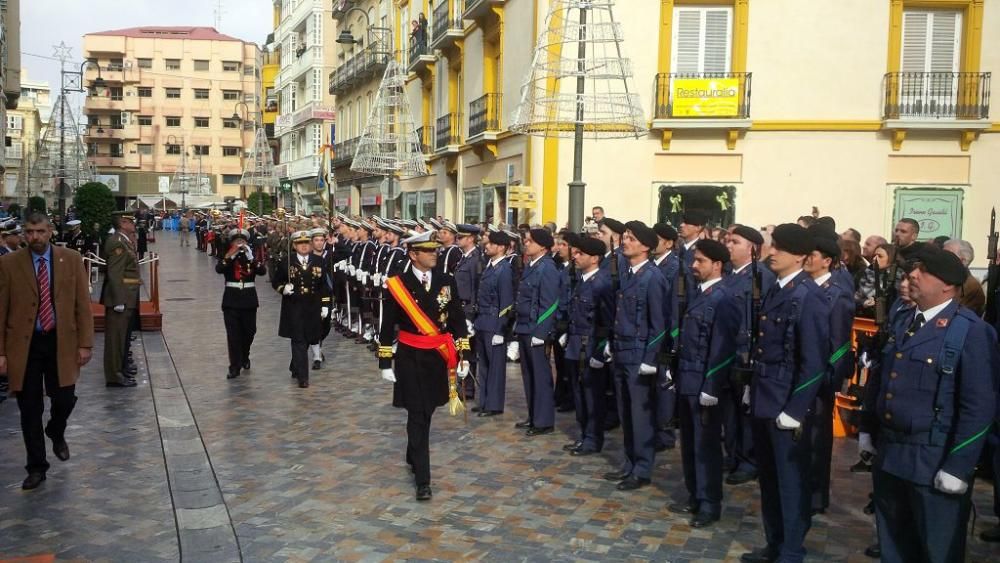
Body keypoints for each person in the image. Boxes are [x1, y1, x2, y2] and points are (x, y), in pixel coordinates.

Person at [860, 246, 998, 562]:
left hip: (934, 459)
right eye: (912, 271)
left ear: (947, 285)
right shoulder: (903, 320)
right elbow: (881, 380)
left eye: (923, 272)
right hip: (892, 453)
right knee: (894, 547)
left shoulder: (971, 331)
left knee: (937, 551)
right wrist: (867, 429)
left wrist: (958, 467)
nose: (913, 276)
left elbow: (979, 407)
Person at [741, 223, 830, 563]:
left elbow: (814, 362)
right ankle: (775, 543)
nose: (772, 252)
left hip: (787, 404)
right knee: (770, 480)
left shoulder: (808, 297)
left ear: (801, 256)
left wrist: (795, 409)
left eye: (779, 247)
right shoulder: (778, 289)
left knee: (791, 484)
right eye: (772, 245)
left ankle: (791, 550)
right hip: (767, 397)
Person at [0, 213, 94, 490]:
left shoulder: (70, 260)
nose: (34, 237)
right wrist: (2, 352)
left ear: (50, 231)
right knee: (29, 408)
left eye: (40, 231)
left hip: (60, 341)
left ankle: (56, 428)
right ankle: (37, 467)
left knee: (64, 398)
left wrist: (85, 343)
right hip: (25, 345)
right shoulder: (9, 264)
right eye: (29, 232)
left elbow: (82, 304)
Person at [377, 231, 471, 501]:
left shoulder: (446, 280)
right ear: (413, 254)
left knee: (426, 412)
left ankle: (412, 452)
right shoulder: (398, 284)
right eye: (428, 251)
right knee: (418, 413)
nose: (434, 254)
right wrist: (385, 361)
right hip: (410, 357)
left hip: (438, 357)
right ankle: (423, 480)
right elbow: (387, 325)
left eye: (435, 250)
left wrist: (463, 355)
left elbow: (457, 319)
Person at [668, 239, 740, 528]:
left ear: (717, 265)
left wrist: (712, 385)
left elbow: (723, 347)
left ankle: (710, 502)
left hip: (705, 384)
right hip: (688, 378)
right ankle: (695, 494)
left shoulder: (724, 298)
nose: (694, 266)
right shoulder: (700, 294)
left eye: (700, 261)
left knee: (705, 446)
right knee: (689, 443)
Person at [600, 221, 667, 492]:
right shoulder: (629, 274)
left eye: (630, 238)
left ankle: (642, 468)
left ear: (646, 246)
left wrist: (651, 359)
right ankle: (629, 464)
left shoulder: (653, 277)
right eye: (625, 237)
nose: (624, 241)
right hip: (622, 352)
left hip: (639, 355)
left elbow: (659, 324)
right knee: (626, 413)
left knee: (640, 415)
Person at [804, 226, 856, 515]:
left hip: (820, 377)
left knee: (817, 439)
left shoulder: (837, 294)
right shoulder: (805, 287)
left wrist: (829, 379)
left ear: (827, 260)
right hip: (802, 373)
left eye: (812, 255)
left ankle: (815, 494)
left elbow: (839, 343)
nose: (807, 259)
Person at [722, 225, 775, 485]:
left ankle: (748, 459)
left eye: (736, 242)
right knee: (730, 409)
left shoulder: (761, 277)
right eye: (729, 241)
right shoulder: (729, 275)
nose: (729, 245)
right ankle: (732, 454)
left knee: (745, 410)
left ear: (752, 248)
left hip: (747, 352)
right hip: (728, 351)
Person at [561, 235, 611, 455]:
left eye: (581, 254)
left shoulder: (602, 283)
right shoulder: (581, 280)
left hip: (590, 347)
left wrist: (601, 352)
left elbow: (606, 322)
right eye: (576, 252)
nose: (576, 256)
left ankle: (592, 439)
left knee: (592, 397)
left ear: (595, 258)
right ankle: (584, 435)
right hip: (575, 345)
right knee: (579, 395)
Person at [513, 228, 562, 436]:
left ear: (542, 246)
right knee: (528, 375)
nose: (526, 243)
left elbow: (549, 303)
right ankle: (534, 416)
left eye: (530, 241)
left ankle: (543, 421)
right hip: (524, 326)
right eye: (526, 240)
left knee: (540, 376)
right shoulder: (531, 266)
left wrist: (541, 333)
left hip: (535, 329)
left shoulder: (547, 268)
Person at [272, 230, 330, 388]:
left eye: (306, 243)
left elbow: (323, 285)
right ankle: (303, 377)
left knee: (310, 337)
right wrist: (283, 288)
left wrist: (325, 304)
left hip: (313, 306)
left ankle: (296, 366)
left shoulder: (318, 261)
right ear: (294, 245)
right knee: (298, 340)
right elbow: (276, 281)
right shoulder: (286, 261)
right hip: (294, 306)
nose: (304, 246)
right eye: (300, 243)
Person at [217, 228, 267, 380]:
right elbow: (219, 269)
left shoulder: (250, 257)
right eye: (237, 242)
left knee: (250, 332)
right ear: (232, 243)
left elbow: (262, 272)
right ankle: (234, 366)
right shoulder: (228, 257)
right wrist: (230, 256)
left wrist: (251, 258)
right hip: (231, 301)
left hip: (248, 300)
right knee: (233, 336)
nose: (240, 244)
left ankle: (245, 354)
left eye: (242, 241)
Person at [474, 230, 513, 417]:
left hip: (494, 323)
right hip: (483, 321)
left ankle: (494, 404)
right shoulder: (490, 266)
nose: (486, 245)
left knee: (495, 366)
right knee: (484, 365)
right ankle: (484, 401)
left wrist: (501, 329)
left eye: (490, 243)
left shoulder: (504, 269)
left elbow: (506, 303)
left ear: (501, 247)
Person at [101, 212, 141, 388]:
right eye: (131, 221)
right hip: (121, 297)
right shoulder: (117, 242)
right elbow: (115, 272)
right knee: (115, 340)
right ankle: (114, 376)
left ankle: (121, 369)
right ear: (123, 223)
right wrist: (118, 300)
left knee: (123, 338)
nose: (134, 224)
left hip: (128, 295)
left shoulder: (124, 240)